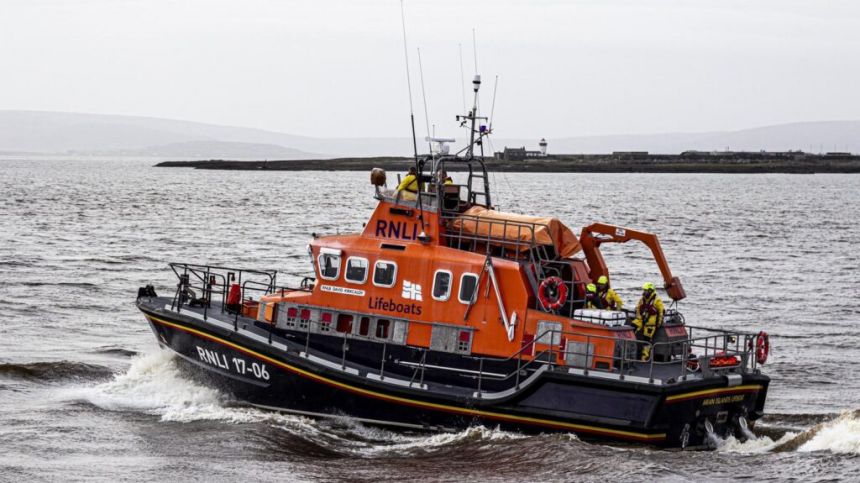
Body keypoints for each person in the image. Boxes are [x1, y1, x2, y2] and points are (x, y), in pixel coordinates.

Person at [631, 282, 664, 361]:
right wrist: (639, 317)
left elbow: (661, 312)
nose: (644, 292)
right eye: (644, 290)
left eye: (646, 290)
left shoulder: (657, 300)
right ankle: (632, 349)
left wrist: (658, 323)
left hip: (650, 324)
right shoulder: (642, 299)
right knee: (631, 328)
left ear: (650, 291)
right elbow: (638, 308)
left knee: (647, 340)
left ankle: (644, 357)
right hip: (641, 320)